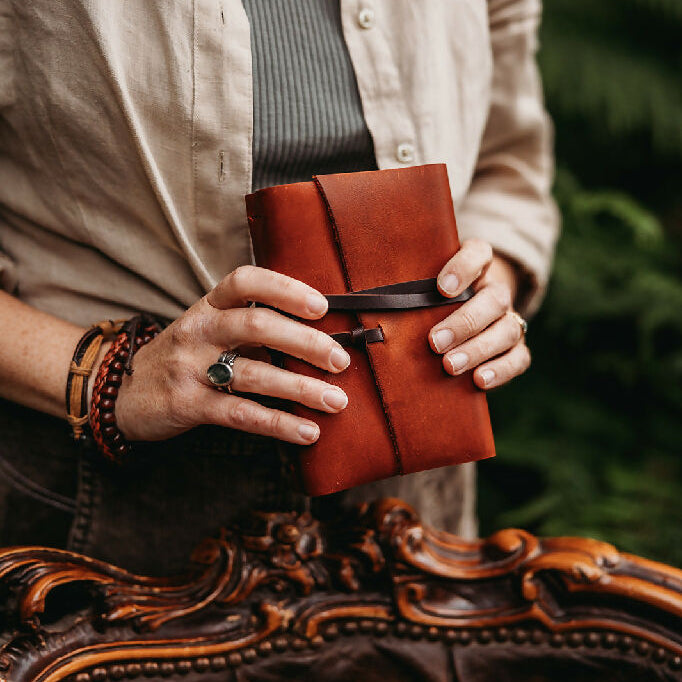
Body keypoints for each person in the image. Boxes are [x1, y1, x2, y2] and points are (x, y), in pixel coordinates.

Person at [0, 0, 558, 575]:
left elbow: (507, 161)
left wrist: (491, 288)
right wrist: (104, 377)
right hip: (113, 480)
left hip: (420, 475)